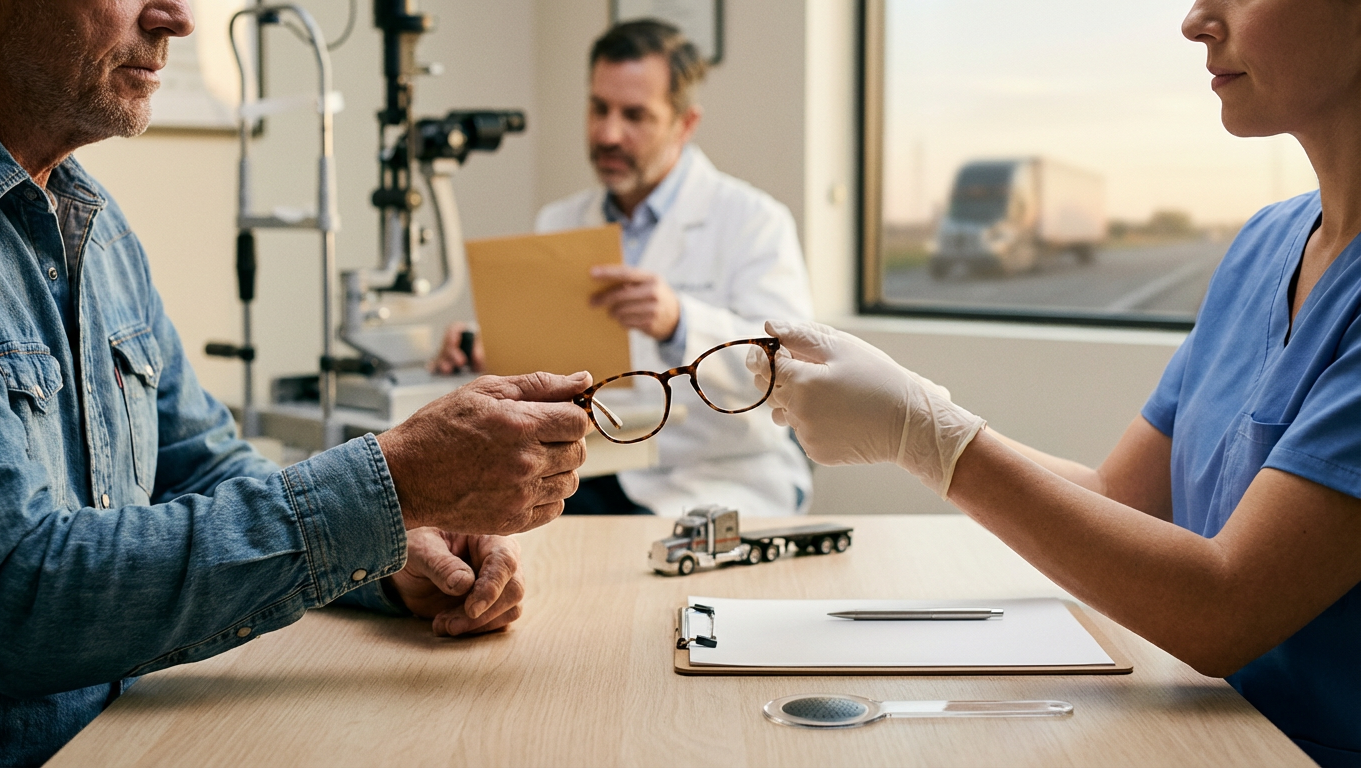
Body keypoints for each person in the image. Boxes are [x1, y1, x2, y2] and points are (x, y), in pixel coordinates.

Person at [752, 1, 1361, 764]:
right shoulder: (1265, 244)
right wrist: (918, 410)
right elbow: (1114, 502)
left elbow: (1224, 609)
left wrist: (926, 438)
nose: (1196, 19)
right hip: (1207, 731)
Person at [0, 2, 593, 765]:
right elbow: (16, 605)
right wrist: (393, 483)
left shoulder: (99, 236)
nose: (176, 18)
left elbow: (201, 467)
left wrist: (396, 549)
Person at [434, 20, 815, 518]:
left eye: (634, 115)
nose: (608, 133)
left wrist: (680, 322)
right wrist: (489, 347)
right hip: (593, 467)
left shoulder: (754, 222)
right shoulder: (562, 221)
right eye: (599, 109)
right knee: (466, 522)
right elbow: (553, 358)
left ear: (685, 123)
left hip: (717, 473)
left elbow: (791, 373)